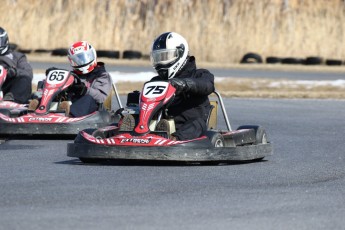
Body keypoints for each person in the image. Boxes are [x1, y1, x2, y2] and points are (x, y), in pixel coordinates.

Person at [121, 32, 215, 141]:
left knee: (197, 124)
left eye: (166, 56)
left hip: (188, 124)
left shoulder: (200, 75)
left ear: (180, 54)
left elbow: (207, 85)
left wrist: (185, 84)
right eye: (159, 57)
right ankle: (129, 133)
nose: (161, 62)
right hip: (160, 121)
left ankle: (173, 138)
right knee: (136, 116)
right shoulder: (156, 81)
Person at [29, 41, 112, 117]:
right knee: (52, 91)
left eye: (85, 57)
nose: (82, 62)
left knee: (88, 98)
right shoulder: (71, 75)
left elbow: (101, 97)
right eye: (78, 59)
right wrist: (51, 78)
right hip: (69, 104)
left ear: (92, 55)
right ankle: (36, 108)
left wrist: (84, 90)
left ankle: (69, 115)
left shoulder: (102, 75)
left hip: (93, 110)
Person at [0, 27, 33, 103]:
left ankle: (12, 100)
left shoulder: (17, 56)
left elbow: (28, 72)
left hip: (8, 87)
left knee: (25, 79)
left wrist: (14, 72)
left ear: (4, 41)